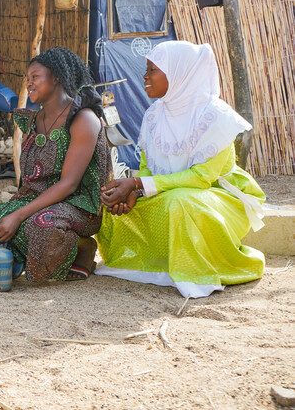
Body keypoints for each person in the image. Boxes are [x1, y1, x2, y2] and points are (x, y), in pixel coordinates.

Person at [97, 41, 265, 298]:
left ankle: (193, 271)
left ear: (178, 74)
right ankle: (151, 265)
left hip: (218, 198)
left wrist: (140, 185)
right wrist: (133, 193)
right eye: (147, 69)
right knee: (113, 204)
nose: (145, 76)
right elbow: (145, 169)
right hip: (170, 193)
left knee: (179, 203)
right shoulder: (154, 116)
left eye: (153, 69)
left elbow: (201, 178)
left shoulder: (216, 116)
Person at [0, 47, 111, 282]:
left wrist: (18, 216)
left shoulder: (83, 119)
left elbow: (69, 184)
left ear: (57, 77)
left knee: (41, 227)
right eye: (27, 78)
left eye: (35, 77)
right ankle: (45, 250)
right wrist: (14, 214)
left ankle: (82, 247)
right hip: (38, 200)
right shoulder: (34, 119)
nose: (29, 83)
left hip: (77, 204)